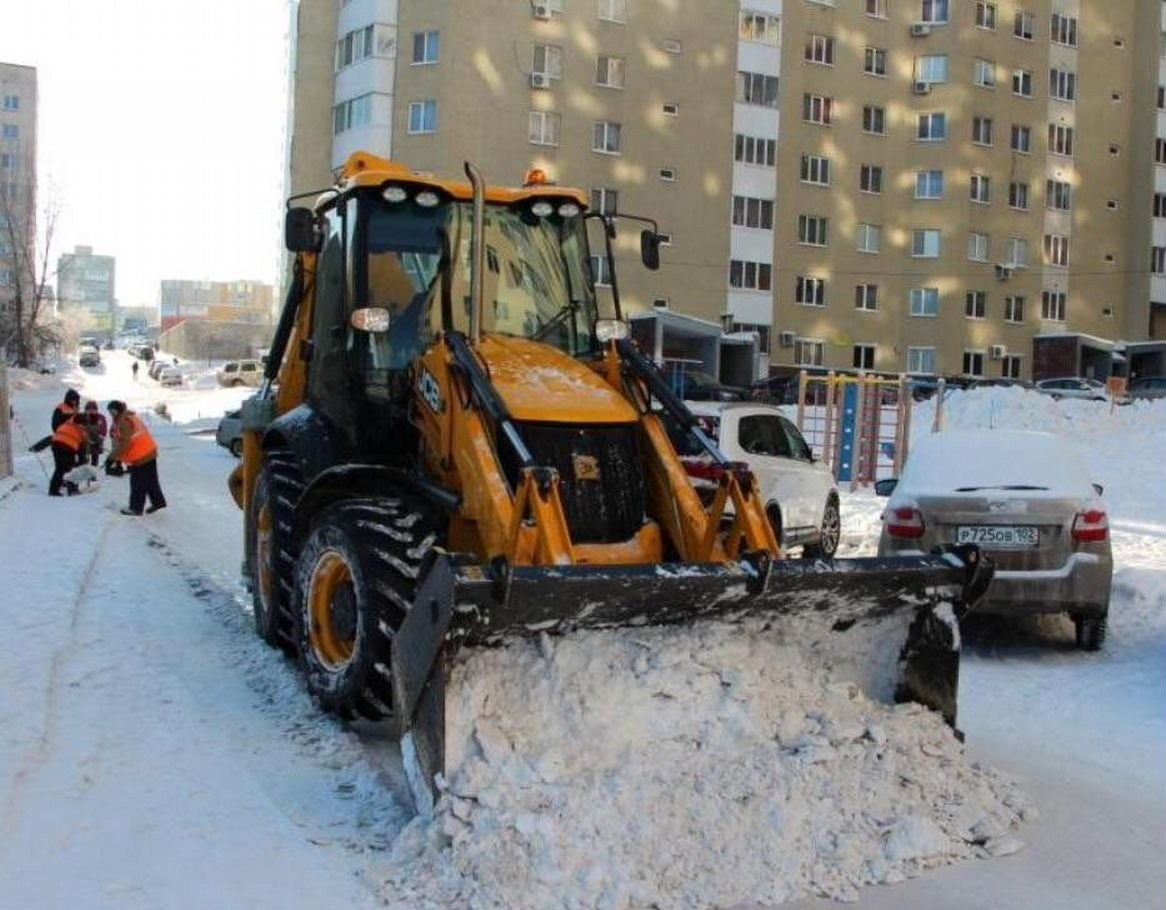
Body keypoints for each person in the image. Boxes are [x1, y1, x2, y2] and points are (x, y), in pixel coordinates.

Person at [106, 400, 167, 516]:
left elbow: (124, 443)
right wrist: (115, 458)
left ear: (118, 410)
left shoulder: (123, 421)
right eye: (109, 411)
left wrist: (111, 458)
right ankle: (158, 502)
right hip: (149, 451)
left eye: (113, 411)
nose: (111, 413)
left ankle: (135, 508)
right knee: (150, 480)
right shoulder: (129, 417)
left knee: (137, 482)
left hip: (140, 456)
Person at [49, 413, 88, 496]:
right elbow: (81, 452)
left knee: (59, 469)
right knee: (69, 468)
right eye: (83, 425)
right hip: (67, 448)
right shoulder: (81, 431)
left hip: (56, 445)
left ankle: (53, 490)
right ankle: (72, 488)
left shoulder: (66, 424)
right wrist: (83, 463)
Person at [82, 400, 108, 467]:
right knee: (84, 458)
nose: (91, 411)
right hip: (85, 441)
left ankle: (93, 472)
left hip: (97, 442)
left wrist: (100, 437)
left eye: (93, 409)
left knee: (95, 458)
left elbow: (104, 429)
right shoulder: (82, 417)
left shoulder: (101, 418)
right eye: (89, 409)